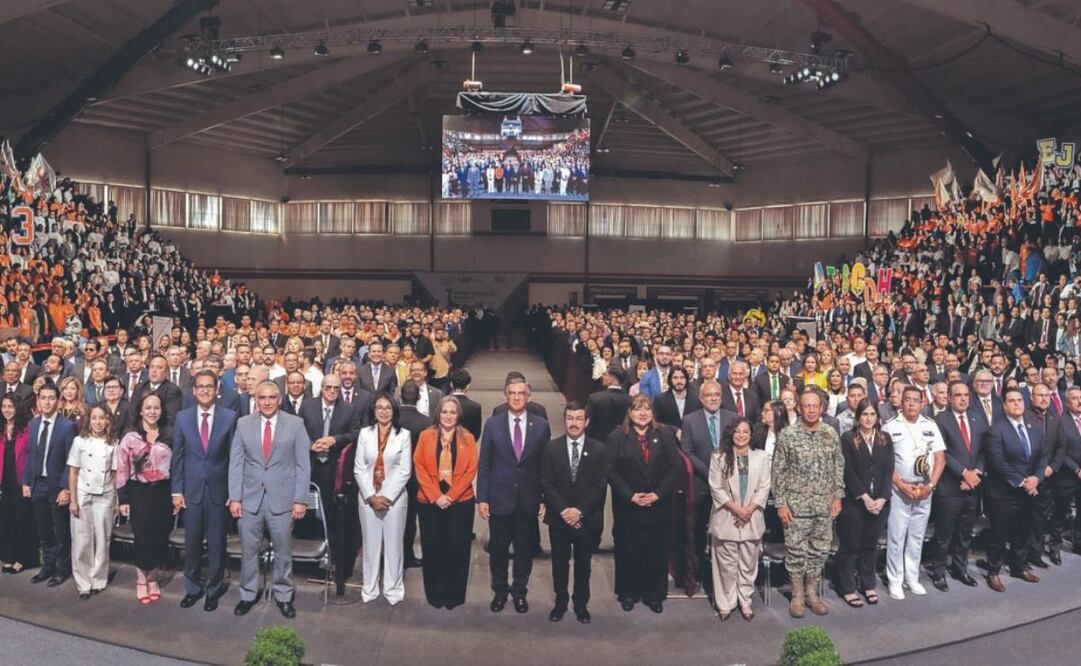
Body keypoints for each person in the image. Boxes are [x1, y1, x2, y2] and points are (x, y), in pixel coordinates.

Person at [229, 380, 311, 619]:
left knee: (283, 551)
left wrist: (300, 499)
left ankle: (283, 595)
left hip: (283, 500)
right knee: (249, 551)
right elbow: (236, 463)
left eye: (271, 397)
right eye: (262, 398)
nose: (266, 402)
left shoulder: (295, 424)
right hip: (249, 499)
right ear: (255, 400)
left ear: (279, 399)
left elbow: (303, 465)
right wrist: (235, 497)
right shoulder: (243, 424)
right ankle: (248, 594)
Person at [477, 377, 551, 614]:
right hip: (499, 498)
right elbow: (484, 464)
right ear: (505, 396)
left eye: (521, 393)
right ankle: (499, 592)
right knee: (498, 551)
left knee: (524, 551)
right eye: (512, 393)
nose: (517, 397)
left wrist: (544, 498)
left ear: (529, 397)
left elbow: (545, 466)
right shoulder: (493, 424)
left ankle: (520, 592)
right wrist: (482, 498)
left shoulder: (541, 426)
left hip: (528, 499)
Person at [772, 387, 844, 618]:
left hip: (824, 505)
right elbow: (778, 472)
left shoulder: (830, 434)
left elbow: (838, 466)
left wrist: (838, 496)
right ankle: (797, 595)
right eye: (807, 406)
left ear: (822, 408)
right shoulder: (788, 435)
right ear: (799, 408)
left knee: (819, 551)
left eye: (815, 406)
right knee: (796, 552)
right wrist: (781, 503)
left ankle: (812, 592)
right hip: (796, 507)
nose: (811, 410)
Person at [171, 370, 238, 612]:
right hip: (191, 492)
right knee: (192, 544)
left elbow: (234, 458)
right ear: (194, 390)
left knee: (217, 544)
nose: (205, 390)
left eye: (209, 386)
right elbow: (178, 457)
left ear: (217, 390)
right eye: (201, 386)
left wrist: (233, 491)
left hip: (219, 491)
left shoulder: (230, 417)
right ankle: (192, 589)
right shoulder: (182, 418)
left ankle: (213, 589)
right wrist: (176, 490)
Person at [607, 394, 681, 613]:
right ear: (629, 412)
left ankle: (654, 595)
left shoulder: (664, 435)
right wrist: (630, 495)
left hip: (657, 505)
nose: (643, 413)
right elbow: (610, 471)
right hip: (628, 505)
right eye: (638, 409)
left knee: (655, 551)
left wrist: (658, 494)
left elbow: (674, 468)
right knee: (628, 550)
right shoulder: (616, 437)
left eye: (647, 409)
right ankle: (628, 593)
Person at [540, 401, 610, 624]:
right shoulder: (551, 448)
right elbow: (546, 483)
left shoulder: (600, 450)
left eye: (579, 419)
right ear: (564, 420)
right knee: (559, 565)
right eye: (570, 418)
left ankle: (581, 604)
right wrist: (563, 510)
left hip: (586, 519)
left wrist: (579, 512)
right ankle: (560, 603)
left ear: (586, 422)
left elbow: (599, 486)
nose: (574, 423)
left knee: (583, 565)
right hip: (559, 519)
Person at [881, 385, 946, 600]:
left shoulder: (931, 425)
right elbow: (885, 463)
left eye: (915, 400)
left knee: (917, 537)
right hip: (900, 489)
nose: (911, 404)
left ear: (922, 403)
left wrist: (931, 486)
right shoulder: (890, 426)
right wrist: (901, 485)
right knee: (897, 537)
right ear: (901, 402)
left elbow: (940, 459)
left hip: (924, 489)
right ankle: (895, 580)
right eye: (907, 399)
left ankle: (912, 578)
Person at [414, 395, 478, 609]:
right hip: (430, 501)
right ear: (438, 414)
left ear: (458, 415)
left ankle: (454, 595)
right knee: (432, 547)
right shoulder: (425, 436)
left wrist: (451, 496)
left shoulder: (468, 438)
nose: (448, 416)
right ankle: (435, 594)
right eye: (444, 411)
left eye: (452, 412)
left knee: (458, 548)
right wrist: (436, 496)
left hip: (460, 502)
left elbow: (471, 470)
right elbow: (419, 466)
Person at [984, 387, 1048, 592]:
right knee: (999, 534)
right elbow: (998, 463)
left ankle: (1019, 567)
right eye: (1012, 401)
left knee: (1023, 530)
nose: (1017, 403)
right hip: (1004, 492)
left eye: (1019, 400)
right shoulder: (996, 430)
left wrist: (1036, 478)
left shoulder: (1035, 426)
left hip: (1029, 490)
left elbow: (1043, 456)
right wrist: (1023, 482)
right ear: (1004, 406)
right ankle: (993, 572)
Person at [680, 380, 737, 606]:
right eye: (708, 395)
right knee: (697, 533)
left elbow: (739, 447)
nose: (713, 398)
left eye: (716, 395)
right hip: (702, 485)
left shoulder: (733, 418)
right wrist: (711, 474)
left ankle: (724, 580)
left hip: (729, 486)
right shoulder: (689, 420)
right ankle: (697, 576)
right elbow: (687, 451)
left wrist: (724, 476)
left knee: (725, 535)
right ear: (701, 398)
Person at [926, 380, 987, 590]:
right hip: (949, 487)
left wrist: (976, 473)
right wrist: (964, 473)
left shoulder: (977, 418)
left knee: (965, 532)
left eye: (966, 395)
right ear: (949, 398)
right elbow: (942, 453)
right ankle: (938, 572)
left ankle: (961, 569)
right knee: (944, 534)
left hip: (972, 486)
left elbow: (983, 451)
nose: (963, 399)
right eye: (958, 395)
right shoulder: (939, 420)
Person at [709, 418, 770, 622]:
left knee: (748, 564)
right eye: (737, 431)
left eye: (745, 431)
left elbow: (764, 487)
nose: (741, 435)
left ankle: (745, 600)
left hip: (752, 518)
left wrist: (749, 510)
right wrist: (737, 509)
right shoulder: (719, 457)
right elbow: (716, 488)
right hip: (727, 517)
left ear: (751, 435)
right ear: (730, 434)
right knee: (726, 566)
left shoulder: (761, 457)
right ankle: (726, 603)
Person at [354, 392, 412, 605]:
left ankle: (393, 588)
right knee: (370, 546)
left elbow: (405, 470)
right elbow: (359, 468)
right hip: (368, 497)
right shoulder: (364, 434)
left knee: (394, 546)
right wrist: (371, 496)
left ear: (394, 410)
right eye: (379, 407)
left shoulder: (403, 435)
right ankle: (369, 588)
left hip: (394, 500)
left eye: (388, 408)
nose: (384, 412)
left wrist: (386, 497)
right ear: (373, 410)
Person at [116, 392, 174, 603]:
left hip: (163, 492)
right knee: (142, 537)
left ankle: (153, 578)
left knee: (160, 536)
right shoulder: (130, 437)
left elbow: (177, 466)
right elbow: (122, 468)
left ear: (161, 410)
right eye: (148, 407)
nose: (152, 411)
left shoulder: (169, 434)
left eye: (156, 407)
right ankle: (141, 579)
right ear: (140, 410)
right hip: (138, 492)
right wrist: (123, 499)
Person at [299, 372, 357, 577]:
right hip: (310, 466)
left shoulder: (348, 409)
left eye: (336, 388)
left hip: (334, 469)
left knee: (331, 515)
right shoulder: (308, 406)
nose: (332, 391)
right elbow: (298, 431)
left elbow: (355, 433)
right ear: (321, 388)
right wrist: (309, 445)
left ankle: (331, 560)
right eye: (328, 387)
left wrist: (335, 440)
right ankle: (307, 561)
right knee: (307, 515)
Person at [836, 399, 893, 607]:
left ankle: (868, 584)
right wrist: (865, 497)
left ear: (877, 417)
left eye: (872, 414)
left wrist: (882, 498)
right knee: (850, 546)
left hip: (880, 502)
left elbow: (888, 470)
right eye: (864, 415)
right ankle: (847, 588)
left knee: (870, 545)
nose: (868, 419)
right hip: (855, 502)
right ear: (858, 417)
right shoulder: (848, 438)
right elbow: (848, 471)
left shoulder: (885, 438)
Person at [23, 382, 78, 587]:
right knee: (44, 530)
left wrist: (66, 488)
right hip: (37, 484)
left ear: (58, 400)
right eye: (43, 398)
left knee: (61, 531)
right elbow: (30, 454)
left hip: (57, 487)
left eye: (51, 398)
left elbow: (71, 460)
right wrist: (26, 481)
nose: (46, 402)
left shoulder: (67, 426)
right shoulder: (33, 424)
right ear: (38, 401)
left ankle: (62, 569)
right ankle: (47, 566)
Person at [66, 404, 118, 599]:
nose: (98, 422)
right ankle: (83, 583)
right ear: (88, 420)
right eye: (94, 418)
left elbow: (115, 474)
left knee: (103, 540)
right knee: (81, 540)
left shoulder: (113, 443)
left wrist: (116, 500)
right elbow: (73, 472)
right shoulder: (79, 441)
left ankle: (98, 580)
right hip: (83, 494)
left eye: (102, 418)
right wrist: (73, 500)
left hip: (105, 494)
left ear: (107, 421)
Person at [0, 394, 37, 574]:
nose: (7, 410)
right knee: (5, 519)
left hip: (20, 481)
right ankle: (8, 556)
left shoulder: (26, 428)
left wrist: (27, 481)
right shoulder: (1, 428)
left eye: (10, 406)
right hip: (3, 481)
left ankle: (23, 558)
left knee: (21, 519)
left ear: (17, 408)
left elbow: (30, 456)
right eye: (4, 406)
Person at [1048, 386, 1081, 560]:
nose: (1079, 401)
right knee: (1060, 513)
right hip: (1067, 476)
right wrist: (1076, 469)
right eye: (1075, 398)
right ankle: (1055, 546)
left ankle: (1078, 544)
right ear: (1067, 403)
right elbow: (1060, 451)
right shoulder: (1061, 421)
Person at [586, 367, 630, 441]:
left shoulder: (595, 398)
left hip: (598, 443)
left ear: (611, 379)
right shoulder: (630, 400)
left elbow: (589, 425)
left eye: (605, 374)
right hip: (623, 443)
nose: (602, 377)